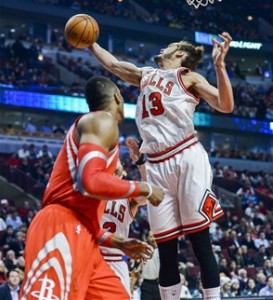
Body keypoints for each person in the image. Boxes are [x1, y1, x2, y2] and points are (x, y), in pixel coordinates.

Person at [89, 31, 234, 300]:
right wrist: (91, 44)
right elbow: (113, 65)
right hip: (155, 164)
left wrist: (219, 66)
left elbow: (225, 105)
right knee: (166, 247)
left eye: (171, 46)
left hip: (186, 157)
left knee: (200, 241)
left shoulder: (188, 76)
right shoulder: (147, 75)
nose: (165, 47)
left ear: (180, 54)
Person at [20, 76, 164, 300]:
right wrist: (143, 188)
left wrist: (120, 242)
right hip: (61, 225)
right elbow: (89, 182)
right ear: (118, 97)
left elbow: (89, 210)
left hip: (88, 237)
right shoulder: (102, 121)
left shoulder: (102, 131)